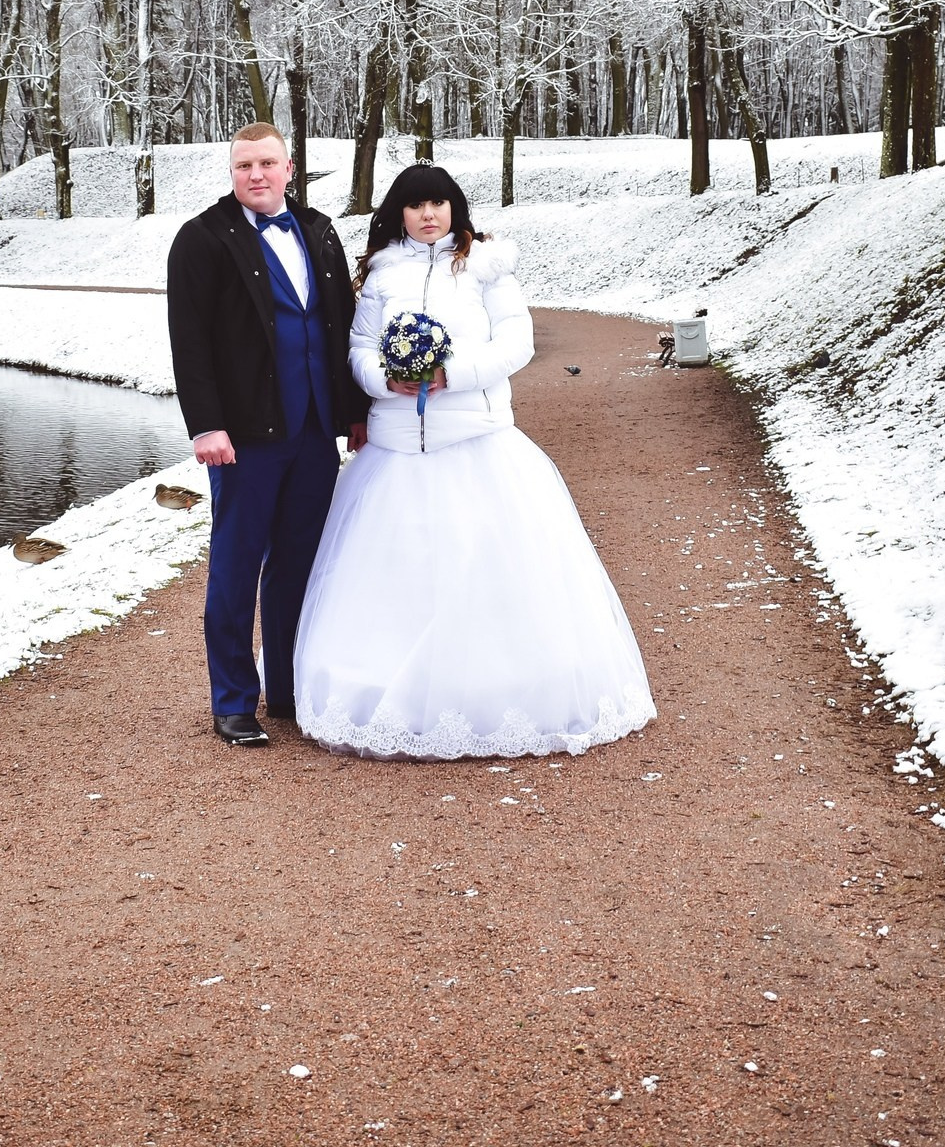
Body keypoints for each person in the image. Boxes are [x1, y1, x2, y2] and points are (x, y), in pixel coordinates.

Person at [292, 163, 656, 759]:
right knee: (396, 578)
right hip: (394, 450)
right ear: (399, 214)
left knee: (487, 573)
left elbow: (517, 343)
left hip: (477, 441)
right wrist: (386, 380)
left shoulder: (487, 267)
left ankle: (497, 691)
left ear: (456, 209)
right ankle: (384, 695)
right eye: (415, 206)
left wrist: (447, 374)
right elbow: (356, 348)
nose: (428, 215)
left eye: (439, 204)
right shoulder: (382, 273)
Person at [165, 123, 369, 747]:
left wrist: (353, 411)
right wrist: (205, 424)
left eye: (266, 164)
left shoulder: (318, 231)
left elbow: (341, 326)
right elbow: (189, 339)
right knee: (236, 564)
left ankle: (285, 689)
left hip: (312, 430)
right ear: (233, 173)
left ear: (289, 167)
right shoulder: (202, 239)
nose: (255, 174)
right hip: (244, 434)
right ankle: (232, 700)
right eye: (243, 165)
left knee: (297, 565)